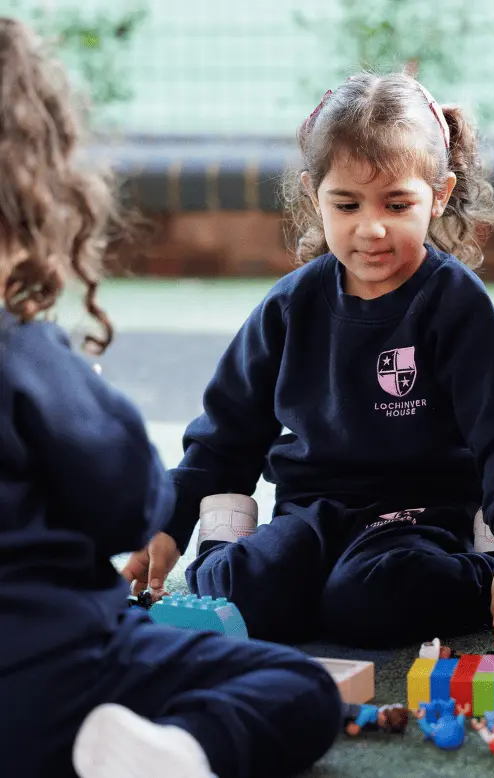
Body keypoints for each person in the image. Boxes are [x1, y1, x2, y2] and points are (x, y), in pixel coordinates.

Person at [124, 71, 494, 648]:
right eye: (347, 203)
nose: (372, 227)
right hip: (312, 510)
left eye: (397, 202)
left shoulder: (456, 305)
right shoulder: (291, 305)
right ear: (315, 195)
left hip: (420, 514)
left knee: (369, 604)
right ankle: (234, 545)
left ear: (438, 195)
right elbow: (225, 433)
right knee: (243, 595)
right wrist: (170, 522)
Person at [0, 18, 342, 778]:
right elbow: (128, 507)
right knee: (296, 686)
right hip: (51, 680)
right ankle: (177, 756)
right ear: (35, 193)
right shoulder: (26, 356)